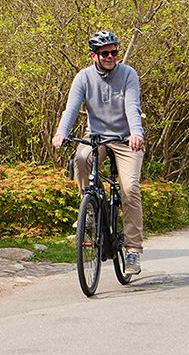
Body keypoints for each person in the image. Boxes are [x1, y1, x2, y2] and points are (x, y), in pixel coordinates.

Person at [51, 31, 145, 276]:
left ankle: (133, 249)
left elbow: (132, 107)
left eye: (114, 52)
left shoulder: (128, 74)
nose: (111, 56)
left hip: (126, 139)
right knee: (82, 158)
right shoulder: (83, 78)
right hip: (97, 137)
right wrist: (62, 133)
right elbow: (71, 109)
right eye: (105, 53)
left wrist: (136, 133)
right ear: (94, 56)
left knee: (130, 189)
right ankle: (90, 210)